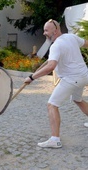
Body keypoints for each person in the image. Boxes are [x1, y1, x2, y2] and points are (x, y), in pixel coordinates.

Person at [24, 19, 88, 148]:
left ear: (56, 30)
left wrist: (31, 77)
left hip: (72, 79)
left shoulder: (56, 45)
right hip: (84, 75)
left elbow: (51, 66)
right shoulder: (71, 37)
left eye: (46, 30)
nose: (44, 33)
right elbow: (86, 43)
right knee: (77, 99)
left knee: (52, 105)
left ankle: (55, 140)